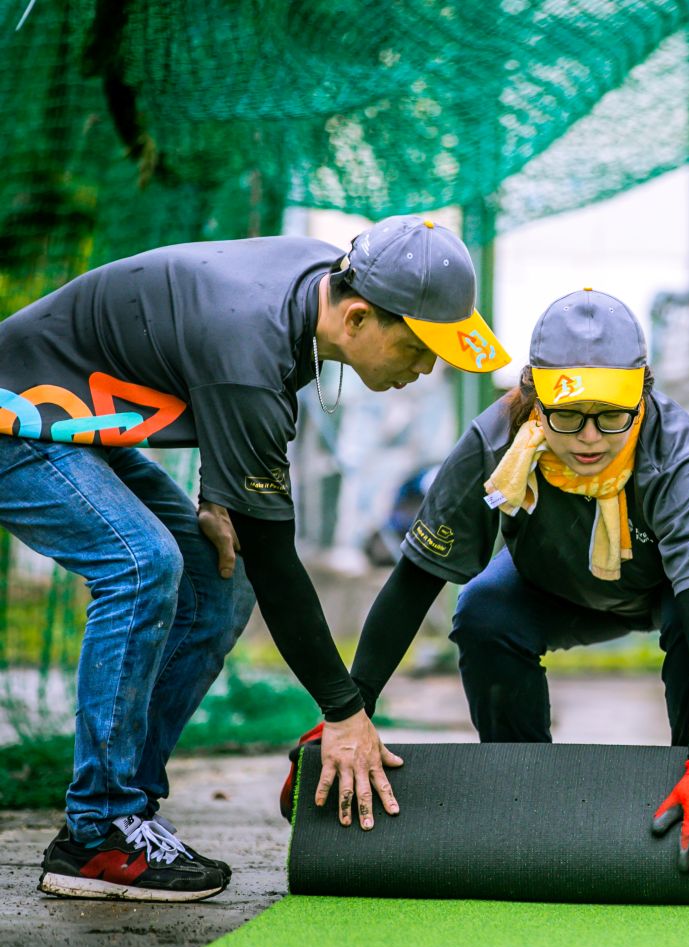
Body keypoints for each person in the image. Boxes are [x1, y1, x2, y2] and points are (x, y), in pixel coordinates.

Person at [2, 215, 507, 901]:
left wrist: (219, 492)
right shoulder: (256, 342)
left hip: (73, 422)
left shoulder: (320, 285)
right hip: (16, 419)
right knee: (142, 565)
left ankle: (130, 811)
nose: (426, 369)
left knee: (221, 580)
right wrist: (344, 711)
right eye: (419, 348)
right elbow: (276, 560)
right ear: (358, 318)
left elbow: (200, 356)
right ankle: (97, 834)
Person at [301, 288, 689, 880]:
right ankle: (523, 793)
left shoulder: (677, 454)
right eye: (568, 415)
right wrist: (349, 711)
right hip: (570, 571)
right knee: (483, 613)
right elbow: (415, 581)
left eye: (611, 415)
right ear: (533, 397)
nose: (589, 438)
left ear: (642, 394)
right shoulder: (493, 443)